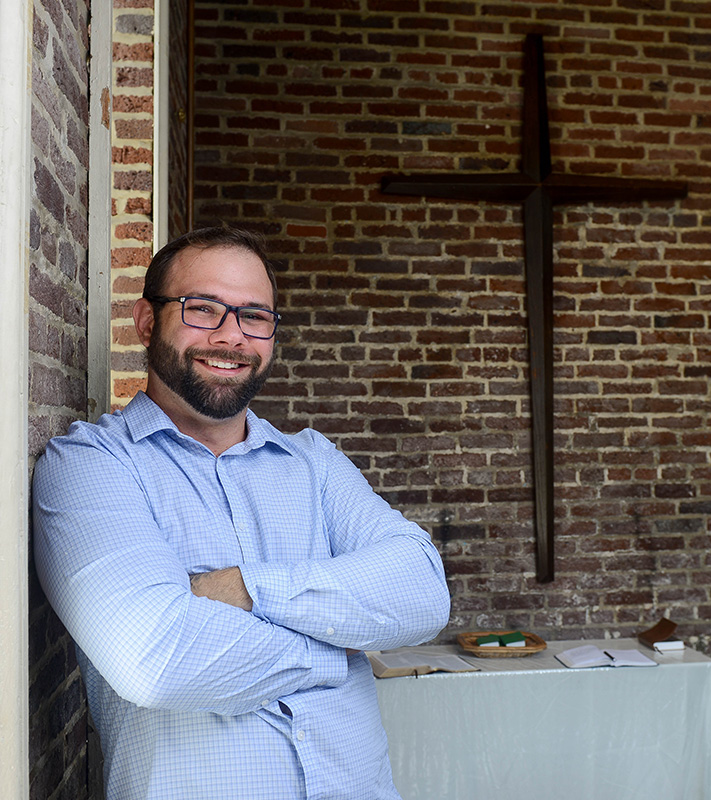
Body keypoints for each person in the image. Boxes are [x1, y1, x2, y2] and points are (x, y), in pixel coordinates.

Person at [33, 226, 451, 800]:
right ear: (148, 321)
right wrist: (337, 642)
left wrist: (244, 589)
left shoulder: (314, 463)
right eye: (203, 309)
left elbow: (423, 591)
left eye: (254, 316)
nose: (232, 337)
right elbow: (157, 661)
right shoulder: (91, 465)